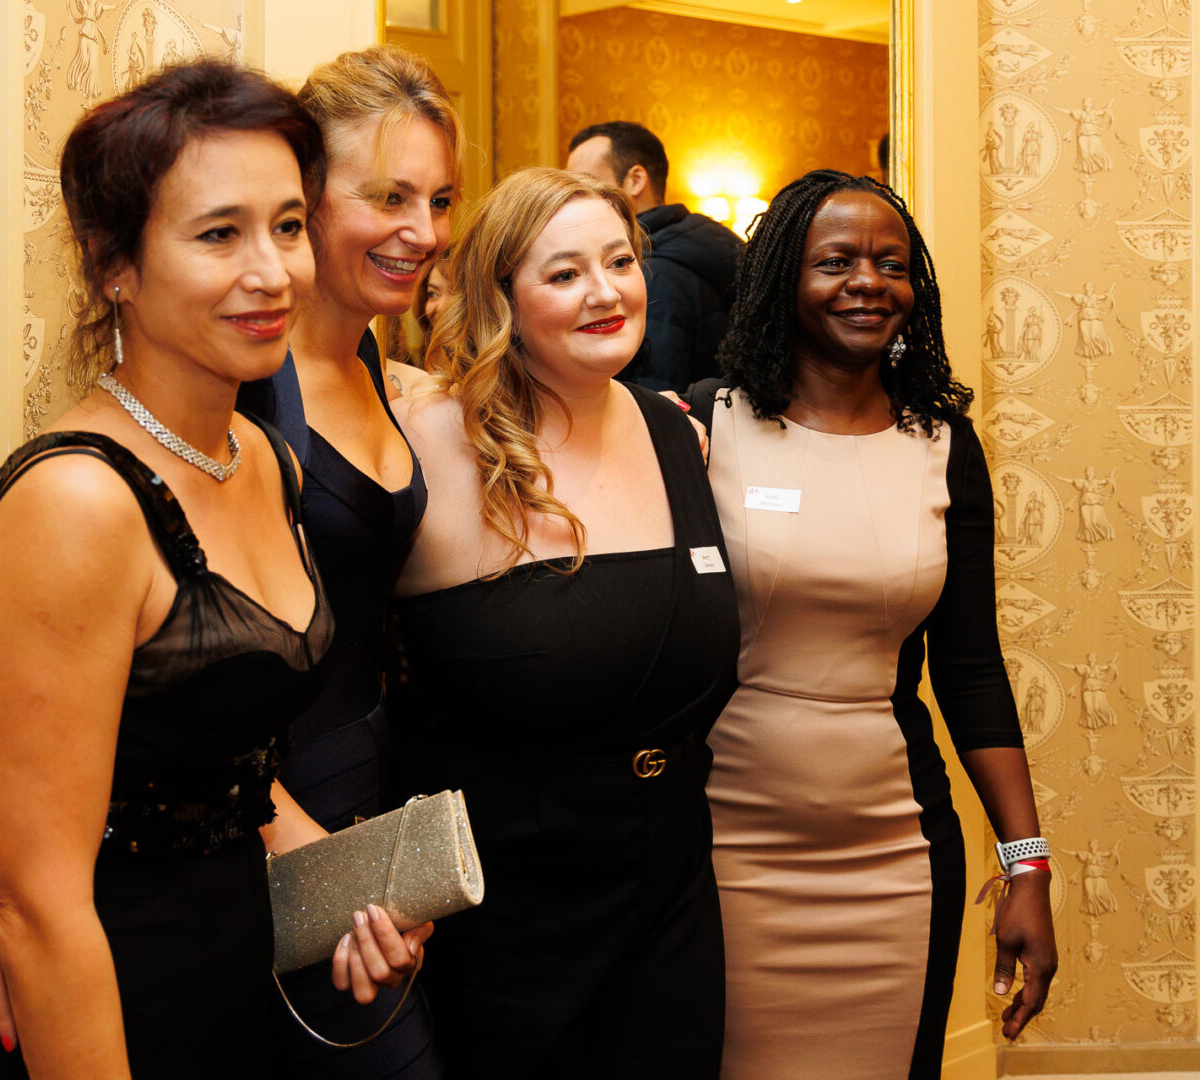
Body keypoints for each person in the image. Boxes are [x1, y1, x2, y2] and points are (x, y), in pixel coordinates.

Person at [0, 61, 423, 1078]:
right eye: (219, 235)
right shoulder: (77, 501)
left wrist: (349, 889)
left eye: (288, 226)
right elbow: (36, 906)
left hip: (226, 980)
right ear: (114, 264)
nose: (272, 272)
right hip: (89, 1009)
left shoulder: (262, 458)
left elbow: (218, 768)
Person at [683, 169, 1057, 1078]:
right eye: (836, 261)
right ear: (784, 278)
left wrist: (1029, 866)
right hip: (721, 843)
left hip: (894, 849)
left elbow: (972, 671)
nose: (868, 283)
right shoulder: (704, 423)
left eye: (892, 265)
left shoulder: (943, 445)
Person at [392, 167, 739, 1077]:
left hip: (670, 894)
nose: (605, 292)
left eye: (620, 262)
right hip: (502, 917)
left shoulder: (677, 434)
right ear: (502, 300)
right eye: (564, 273)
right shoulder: (428, 440)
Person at [236, 45, 455, 1075]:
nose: (425, 232)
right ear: (307, 198)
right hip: (260, 825)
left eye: (439, 200)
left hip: (361, 809)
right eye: (390, 197)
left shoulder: (373, 358)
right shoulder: (245, 374)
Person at [566, 120, 742, 392]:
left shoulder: (651, 272)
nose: (575, 199)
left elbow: (655, 397)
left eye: (587, 183)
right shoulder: (697, 242)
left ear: (635, 180)